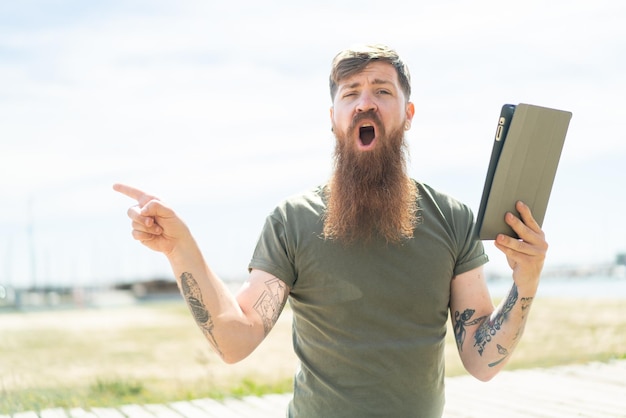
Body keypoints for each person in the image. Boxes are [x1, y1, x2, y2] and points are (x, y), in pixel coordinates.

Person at [113, 44, 548, 418]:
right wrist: (179, 248)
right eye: (350, 94)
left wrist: (524, 283)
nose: (365, 103)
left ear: (408, 113)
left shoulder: (452, 218)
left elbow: (482, 359)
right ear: (334, 116)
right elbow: (234, 340)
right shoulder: (293, 220)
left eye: (382, 91)